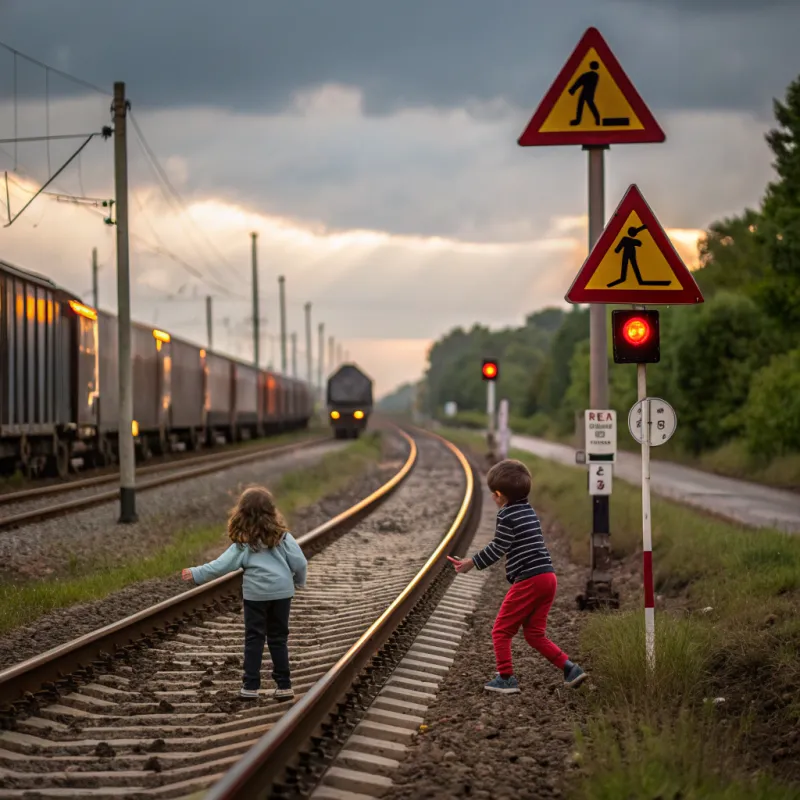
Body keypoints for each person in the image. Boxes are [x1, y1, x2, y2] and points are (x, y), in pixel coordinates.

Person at [450, 460, 587, 694]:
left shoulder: (506, 516)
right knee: (534, 634)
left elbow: (498, 547)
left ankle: (506, 678)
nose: (493, 498)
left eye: (493, 494)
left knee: (500, 630)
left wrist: (471, 563)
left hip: (530, 579)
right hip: (547, 577)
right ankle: (570, 669)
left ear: (500, 495)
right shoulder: (528, 511)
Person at [181, 486, 307, 701]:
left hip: (255, 595)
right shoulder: (283, 537)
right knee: (278, 638)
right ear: (271, 511)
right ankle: (284, 685)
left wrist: (196, 573)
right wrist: (297, 582)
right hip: (281, 593)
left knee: (254, 639)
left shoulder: (243, 543)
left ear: (242, 512)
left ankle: (250, 686)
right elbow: (300, 563)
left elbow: (221, 565)